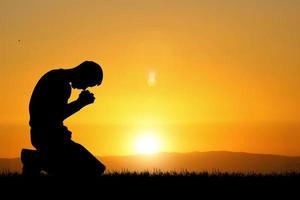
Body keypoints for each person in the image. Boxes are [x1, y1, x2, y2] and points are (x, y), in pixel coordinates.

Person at [24, 61, 106, 176]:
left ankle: (38, 160)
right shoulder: (61, 84)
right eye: (88, 83)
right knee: (93, 169)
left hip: (46, 135)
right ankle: (36, 160)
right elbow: (54, 115)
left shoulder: (55, 76)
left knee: (91, 168)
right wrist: (80, 103)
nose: (84, 88)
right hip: (48, 138)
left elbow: (52, 114)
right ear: (83, 74)